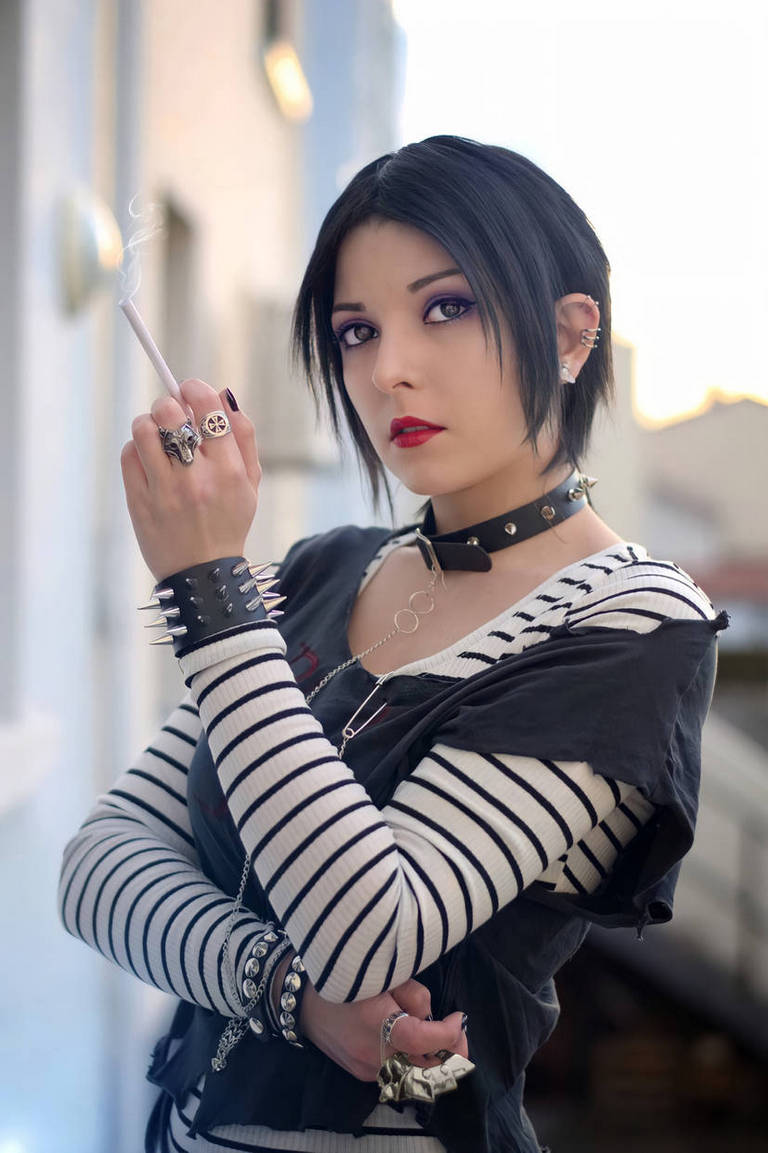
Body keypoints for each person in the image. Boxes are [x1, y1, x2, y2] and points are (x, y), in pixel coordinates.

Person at [58, 136, 726, 1153]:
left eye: (446, 307)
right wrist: (287, 992)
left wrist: (212, 591)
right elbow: (98, 867)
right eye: (357, 330)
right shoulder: (321, 571)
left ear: (568, 335)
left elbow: (372, 932)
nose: (387, 369)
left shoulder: (626, 620)